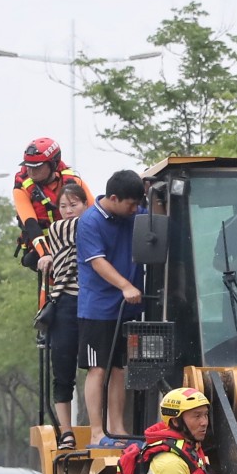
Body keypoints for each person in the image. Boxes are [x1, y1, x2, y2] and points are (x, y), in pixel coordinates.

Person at [76, 169, 146, 446]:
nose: (135, 209)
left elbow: (157, 216)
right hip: (98, 309)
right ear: (114, 198)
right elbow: (97, 262)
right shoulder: (90, 221)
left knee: (119, 368)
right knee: (98, 368)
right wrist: (125, 286)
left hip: (126, 309)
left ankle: (117, 429)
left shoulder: (132, 215)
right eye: (131, 204)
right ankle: (97, 432)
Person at [32, 182, 89, 450]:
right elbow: (82, 228)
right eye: (63, 206)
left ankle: (96, 426)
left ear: (85, 204)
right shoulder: (60, 228)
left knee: (98, 368)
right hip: (66, 302)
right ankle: (66, 431)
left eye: (73, 205)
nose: (68, 210)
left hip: (92, 303)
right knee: (63, 372)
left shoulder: (92, 225)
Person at [13, 136, 92, 262]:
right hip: (43, 246)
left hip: (76, 241)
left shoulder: (74, 182)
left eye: (37, 167)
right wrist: (45, 254)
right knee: (32, 260)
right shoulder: (21, 189)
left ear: (53, 164)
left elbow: (94, 213)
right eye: (28, 166)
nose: (31, 171)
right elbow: (30, 224)